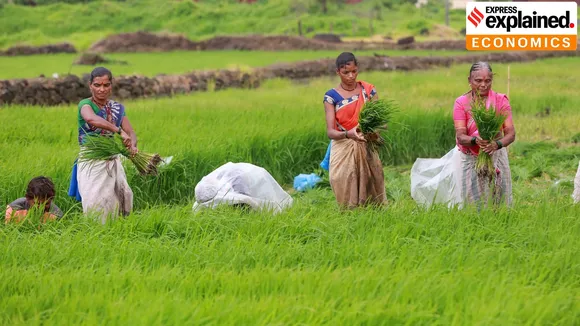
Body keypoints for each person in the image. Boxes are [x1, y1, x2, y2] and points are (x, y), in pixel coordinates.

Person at [70, 67, 138, 224]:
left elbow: (131, 131)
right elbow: (92, 119)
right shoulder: (85, 105)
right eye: (97, 85)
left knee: (124, 195)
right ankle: (98, 231)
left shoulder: (117, 108)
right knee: (97, 199)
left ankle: (120, 229)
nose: (102, 89)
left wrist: (132, 145)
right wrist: (118, 130)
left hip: (112, 158)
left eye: (106, 85)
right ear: (90, 85)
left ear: (111, 85)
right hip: (92, 160)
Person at [322, 52, 387, 209]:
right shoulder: (331, 97)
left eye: (354, 71)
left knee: (372, 179)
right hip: (343, 144)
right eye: (345, 73)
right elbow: (331, 132)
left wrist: (374, 132)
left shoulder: (368, 91)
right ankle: (348, 214)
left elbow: (382, 122)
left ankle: (373, 215)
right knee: (340, 179)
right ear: (338, 72)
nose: (351, 76)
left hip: (366, 143)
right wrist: (348, 134)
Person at [453, 61, 516, 209]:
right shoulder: (461, 103)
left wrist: (497, 144)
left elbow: (510, 133)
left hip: (497, 155)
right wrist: (476, 140)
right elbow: (461, 136)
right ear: (469, 80)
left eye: (488, 81)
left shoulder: (500, 100)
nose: (483, 85)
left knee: (501, 202)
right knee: (474, 204)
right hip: (471, 157)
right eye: (478, 81)